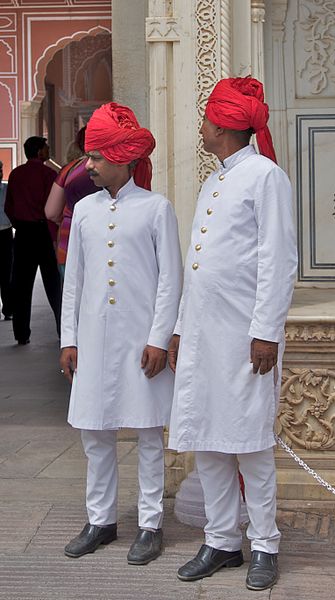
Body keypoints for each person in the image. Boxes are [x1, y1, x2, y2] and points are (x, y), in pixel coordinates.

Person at [167, 77, 297, 591]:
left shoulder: (265, 176)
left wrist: (266, 332)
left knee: (250, 445)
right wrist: (179, 330)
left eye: (205, 117)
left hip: (246, 339)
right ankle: (222, 540)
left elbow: (278, 260)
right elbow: (198, 268)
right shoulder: (213, 180)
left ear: (222, 124)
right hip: (204, 337)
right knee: (210, 443)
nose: (201, 125)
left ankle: (264, 544)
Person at [60, 102, 182, 565]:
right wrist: (68, 338)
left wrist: (159, 338)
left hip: (140, 342)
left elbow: (171, 280)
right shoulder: (85, 210)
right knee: (95, 431)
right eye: (89, 156)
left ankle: (150, 524)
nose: (88, 165)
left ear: (121, 157)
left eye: (95, 157)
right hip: (92, 340)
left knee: (149, 433)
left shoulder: (156, 209)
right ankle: (101, 520)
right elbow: (74, 279)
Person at [4, 137, 61, 344]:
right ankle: (62, 330)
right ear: (39, 152)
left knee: (21, 286)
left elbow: (8, 206)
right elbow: (53, 208)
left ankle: (21, 334)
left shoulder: (16, 174)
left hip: (24, 234)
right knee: (54, 284)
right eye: (46, 147)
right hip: (43, 232)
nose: (48, 150)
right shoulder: (50, 175)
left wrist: (19, 225)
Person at [45, 127, 97, 277]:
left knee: (71, 294)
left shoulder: (70, 170)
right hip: (109, 244)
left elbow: (51, 212)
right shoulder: (117, 168)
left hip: (70, 241)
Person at [0, 160, 13, 320]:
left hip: (5, 232)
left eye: (0, 170)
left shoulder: (7, 188)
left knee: (6, 272)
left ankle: (8, 308)